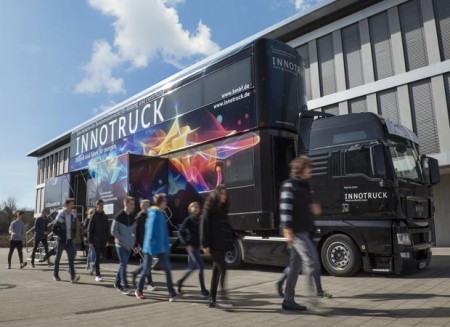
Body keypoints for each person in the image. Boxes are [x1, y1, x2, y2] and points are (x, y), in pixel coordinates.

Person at [279, 155, 330, 314]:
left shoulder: (304, 186)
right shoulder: (290, 185)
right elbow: (285, 207)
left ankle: (288, 301)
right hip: (296, 232)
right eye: (309, 167)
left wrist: (314, 208)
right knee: (312, 262)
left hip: (304, 231)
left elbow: (306, 207)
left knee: (295, 267)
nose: (311, 171)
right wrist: (287, 229)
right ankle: (313, 303)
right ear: (302, 168)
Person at [135, 194, 177, 301]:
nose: (166, 203)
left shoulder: (161, 214)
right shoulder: (153, 214)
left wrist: (166, 247)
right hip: (150, 248)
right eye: (165, 201)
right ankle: (139, 290)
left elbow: (164, 233)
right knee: (146, 269)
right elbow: (149, 233)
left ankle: (171, 292)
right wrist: (152, 250)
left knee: (167, 269)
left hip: (161, 247)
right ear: (161, 202)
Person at [201, 185, 236, 309]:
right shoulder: (209, 209)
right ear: (216, 195)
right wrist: (205, 244)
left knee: (216, 272)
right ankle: (223, 296)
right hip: (213, 244)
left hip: (222, 244)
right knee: (223, 267)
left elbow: (227, 225)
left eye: (225, 194)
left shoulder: (223, 209)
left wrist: (235, 235)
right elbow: (204, 226)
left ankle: (212, 299)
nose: (224, 196)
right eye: (221, 194)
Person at [177, 202, 209, 297]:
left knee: (192, 267)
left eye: (198, 207)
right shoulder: (189, 219)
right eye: (194, 207)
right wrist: (186, 244)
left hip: (197, 246)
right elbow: (180, 231)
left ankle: (180, 282)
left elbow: (203, 233)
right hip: (191, 247)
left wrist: (204, 246)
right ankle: (203, 290)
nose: (196, 208)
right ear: (190, 209)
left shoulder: (200, 219)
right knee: (201, 267)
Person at [111, 196, 136, 294]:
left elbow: (134, 231)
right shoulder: (119, 216)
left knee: (123, 264)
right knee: (124, 265)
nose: (133, 206)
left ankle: (117, 282)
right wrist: (121, 239)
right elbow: (113, 231)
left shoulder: (132, 217)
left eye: (133, 204)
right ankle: (124, 285)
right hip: (120, 245)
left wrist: (133, 243)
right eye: (131, 204)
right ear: (126, 204)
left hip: (129, 245)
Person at [52, 199, 80, 282]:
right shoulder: (61, 215)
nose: (72, 206)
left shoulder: (72, 215)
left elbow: (74, 226)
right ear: (67, 205)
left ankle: (73, 277)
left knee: (71, 258)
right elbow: (54, 229)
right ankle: (55, 274)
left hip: (70, 240)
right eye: (71, 204)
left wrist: (73, 234)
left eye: (73, 204)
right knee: (58, 258)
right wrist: (61, 235)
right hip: (62, 241)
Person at [131, 199, 155, 291]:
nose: (147, 207)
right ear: (142, 206)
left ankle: (135, 273)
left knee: (147, 263)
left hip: (149, 243)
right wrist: (135, 245)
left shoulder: (150, 216)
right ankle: (150, 283)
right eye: (145, 205)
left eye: (148, 205)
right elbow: (135, 232)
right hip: (142, 244)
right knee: (147, 263)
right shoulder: (139, 217)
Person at [88, 199, 110, 282]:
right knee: (97, 257)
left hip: (103, 240)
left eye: (102, 205)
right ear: (97, 206)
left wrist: (107, 239)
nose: (101, 207)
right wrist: (90, 241)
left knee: (103, 257)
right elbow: (90, 229)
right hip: (96, 240)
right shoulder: (94, 216)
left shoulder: (105, 216)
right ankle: (98, 275)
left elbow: (107, 229)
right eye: (100, 205)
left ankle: (93, 265)